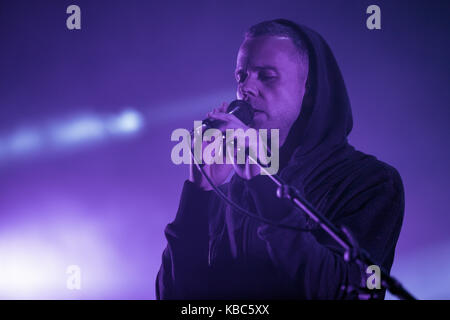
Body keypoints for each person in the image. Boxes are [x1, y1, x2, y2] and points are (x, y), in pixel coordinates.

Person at [156, 19, 405, 299]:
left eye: (266, 75)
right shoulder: (231, 192)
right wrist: (199, 194)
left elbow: (343, 292)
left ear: (308, 88)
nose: (246, 88)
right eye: (241, 76)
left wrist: (264, 185)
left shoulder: (371, 181)